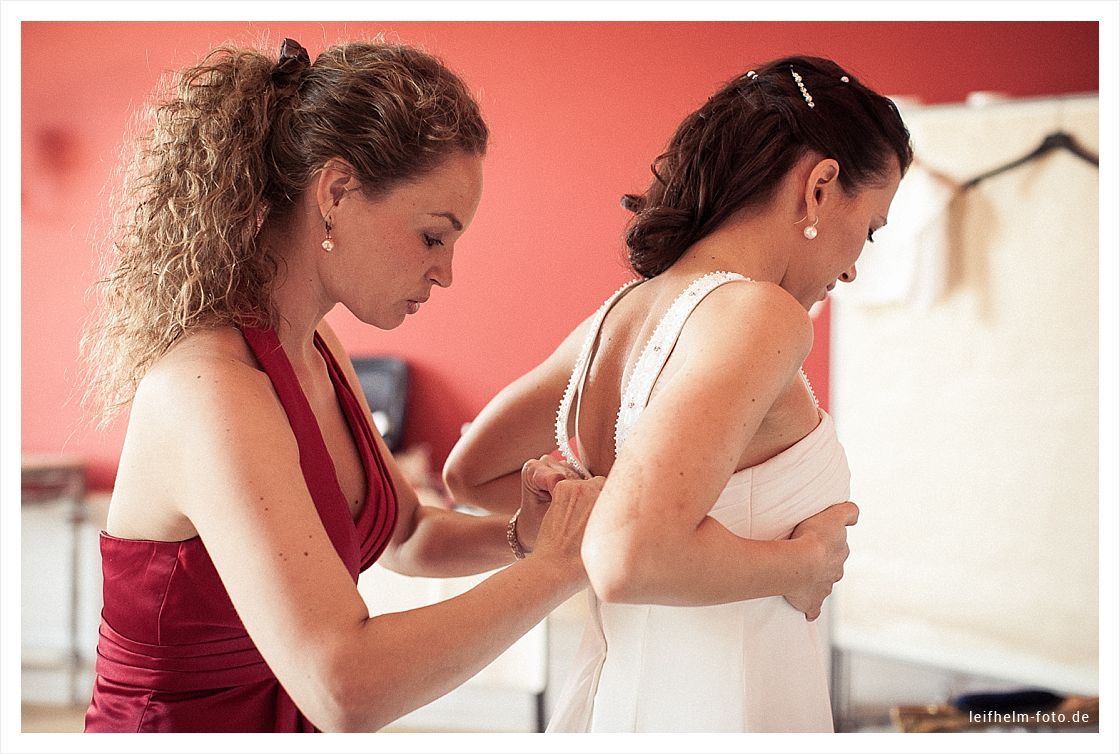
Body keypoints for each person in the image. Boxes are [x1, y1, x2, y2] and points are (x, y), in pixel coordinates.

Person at [79, 37, 601, 733]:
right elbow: (344, 687)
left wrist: (522, 535)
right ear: (336, 193)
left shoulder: (316, 346)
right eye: (432, 236)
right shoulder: (208, 389)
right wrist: (558, 569)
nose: (445, 273)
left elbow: (407, 535)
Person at [444, 55, 912, 732]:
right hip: (719, 708)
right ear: (819, 186)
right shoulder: (761, 315)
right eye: (867, 230)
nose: (852, 266)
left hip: (622, 700)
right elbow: (629, 558)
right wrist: (802, 563)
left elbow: (470, 473)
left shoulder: (619, 314)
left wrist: (597, 505)